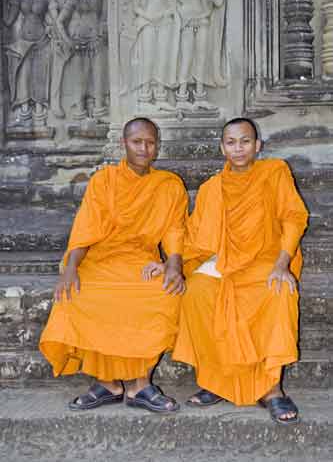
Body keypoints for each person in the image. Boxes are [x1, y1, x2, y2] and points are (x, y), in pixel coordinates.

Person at [147, 117, 308, 424]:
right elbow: (195, 236)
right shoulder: (212, 189)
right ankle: (217, 381)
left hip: (266, 261)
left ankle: (272, 389)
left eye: (245, 141)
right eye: (231, 142)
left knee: (277, 293)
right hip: (223, 261)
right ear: (222, 147)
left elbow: (293, 218)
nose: (238, 149)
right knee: (195, 293)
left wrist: (281, 265)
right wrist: (172, 263)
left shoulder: (275, 173)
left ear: (257, 145)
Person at [39, 117, 188, 413]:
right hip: (99, 258)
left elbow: (175, 229)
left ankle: (140, 385)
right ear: (124, 144)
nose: (144, 148)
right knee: (79, 293)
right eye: (137, 142)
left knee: (162, 293)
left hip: (140, 259)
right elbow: (85, 227)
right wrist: (70, 268)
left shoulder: (169, 185)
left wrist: (173, 263)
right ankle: (107, 383)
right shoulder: (104, 181)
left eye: (150, 142)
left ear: (157, 145)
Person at [4, 0, 58, 122]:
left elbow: (56, 19)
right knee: (24, 75)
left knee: (40, 75)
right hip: (23, 42)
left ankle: (40, 110)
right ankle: (24, 109)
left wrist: (53, 28)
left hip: (42, 42)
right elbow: (9, 20)